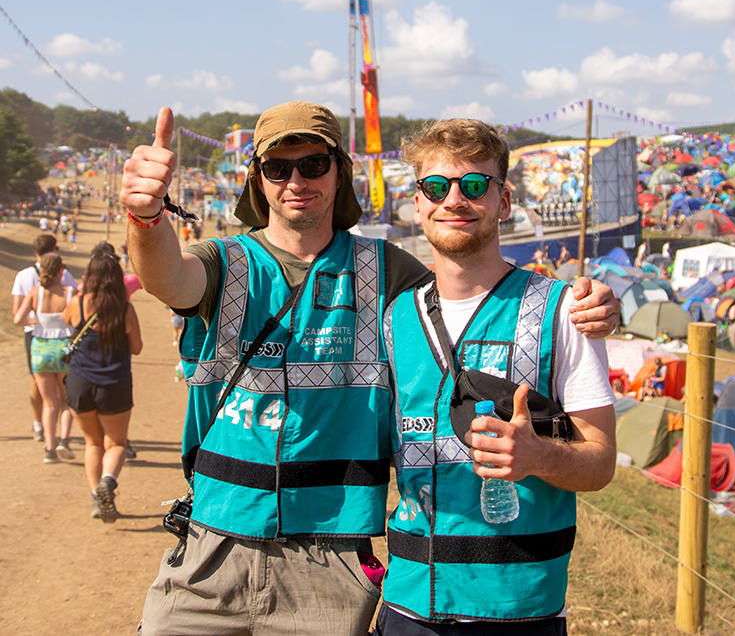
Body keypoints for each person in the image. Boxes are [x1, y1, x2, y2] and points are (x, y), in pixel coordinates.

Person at [120, 103, 618, 636]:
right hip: (214, 544)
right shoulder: (226, 262)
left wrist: (588, 302)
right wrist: (147, 217)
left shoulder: (390, 273)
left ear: (339, 174)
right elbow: (167, 278)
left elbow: (468, 280)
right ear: (257, 180)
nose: (296, 180)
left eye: (313, 164)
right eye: (278, 167)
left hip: (332, 562)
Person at [377, 119, 617, 634]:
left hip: (517, 609)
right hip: (408, 604)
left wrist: (538, 456)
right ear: (417, 204)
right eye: (437, 187)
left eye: (475, 185)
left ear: (503, 201)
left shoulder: (562, 313)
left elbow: (600, 464)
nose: (455, 200)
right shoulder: (393, 320)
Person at [62, 250, 143, 520]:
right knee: (116, 443)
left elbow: (66, 320)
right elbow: (137, 348)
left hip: (79, 382)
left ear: (91, 276)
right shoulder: (125, 309)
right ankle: (108, 481)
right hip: (114, 384)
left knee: (92, 443)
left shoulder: (78, 303)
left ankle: (97, 499)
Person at [11, 233, 77, 442]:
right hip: (63, 343)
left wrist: (38, 321)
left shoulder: (26, 281)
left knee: (43, 393)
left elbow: (17, 315)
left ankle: (42, 431)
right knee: (65, 398)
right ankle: (63, 439)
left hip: (38, 341)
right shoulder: (67, 286)